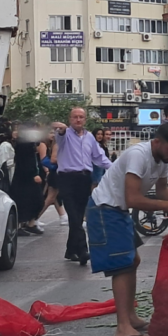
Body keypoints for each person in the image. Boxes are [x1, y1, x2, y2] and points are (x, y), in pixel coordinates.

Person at [86, 123, 168, 336]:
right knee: (122, 265)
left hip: (118, 210)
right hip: (105, 208)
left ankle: (130, 316)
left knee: (133, 260)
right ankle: (123, 328)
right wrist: (167, 207)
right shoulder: (138, 155)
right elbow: (133, 199)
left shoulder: (162, 160)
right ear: (157, 142)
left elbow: (162, 191)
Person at [53, 108, 113, 266]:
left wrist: (115, 168)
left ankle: (70, 250)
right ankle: (82, 250)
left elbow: (99, 157)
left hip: (84, 179)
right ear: (70, 118)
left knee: (78, 216)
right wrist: (61, 129)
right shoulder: (64, 135)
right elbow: (60, 135)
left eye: (81, 117)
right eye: (75, 117)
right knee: (73, 214)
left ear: (85, 119)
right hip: (67, 178)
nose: (78, 120)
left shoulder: (90, 138)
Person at [9, 124, 46, 237]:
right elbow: (25, 161)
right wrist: (33, 174)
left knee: (36, 200)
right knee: (29, 200)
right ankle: (21, 225)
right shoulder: (24, 144)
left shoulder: (28, 143)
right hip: (25, 178)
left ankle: (30, 224)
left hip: (26, 177)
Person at [35, 131, 68, 227]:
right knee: (50, 198)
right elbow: (53, 159)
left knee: (53, 197)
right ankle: (35, 218)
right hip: (56, 173)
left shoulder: (58, 144)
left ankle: (63, 217)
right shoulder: (57, 145)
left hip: (56, 173)